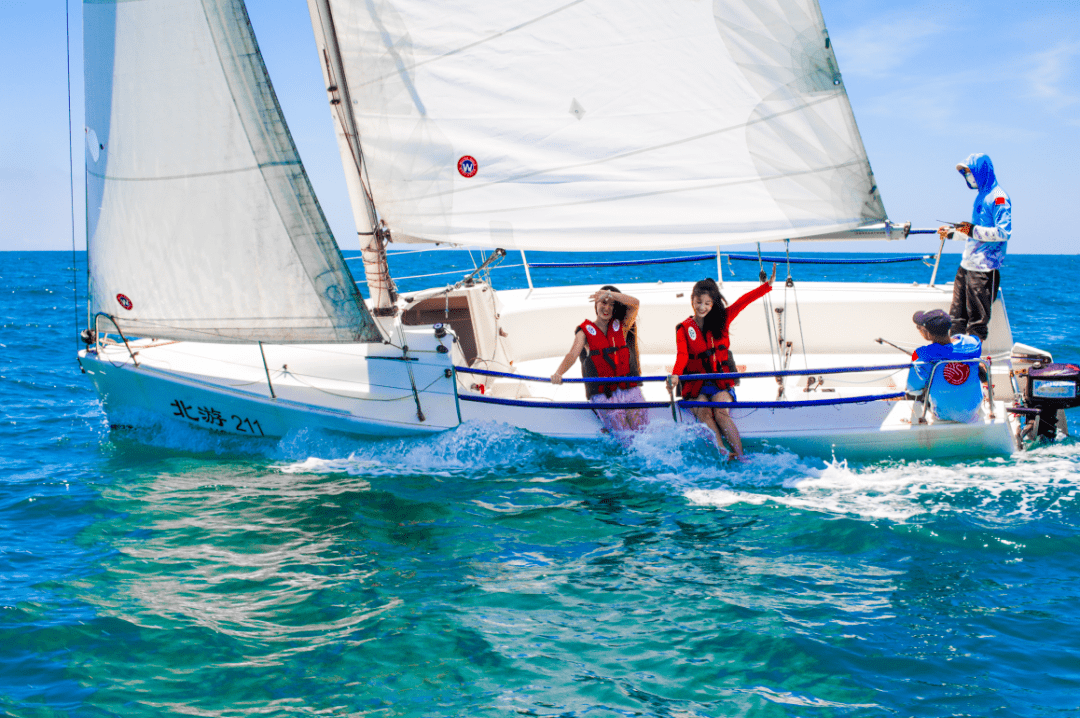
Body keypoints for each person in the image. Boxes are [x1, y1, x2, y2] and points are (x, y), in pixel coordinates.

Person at [668, 267, 775, 459]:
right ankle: (723, 452)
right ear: (692, 300)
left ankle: (741, 457)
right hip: (696, 383)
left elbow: (743, 302)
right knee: (704, 413)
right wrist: (675, 375)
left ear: (713, 303)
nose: (702, 307)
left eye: (707, 303)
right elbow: (682, 355)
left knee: (720, 413)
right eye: (698, 302)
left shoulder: (723, 319)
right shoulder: (683, 328)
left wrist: (767, 286)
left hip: (719, 381)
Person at [551, 285, 649, 435]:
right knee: (626, 437)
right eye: (603, 302)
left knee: (643, 431)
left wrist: (609, 294)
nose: (607, 308)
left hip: (628, 390)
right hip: (605, 395)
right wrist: (558, 373)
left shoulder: (621, 325)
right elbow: (572, 354)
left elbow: (635, 303)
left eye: (611, 304)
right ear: (596, 303)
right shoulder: (584, 332)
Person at [937, 153, 1012, 341]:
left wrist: (970, 229)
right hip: (966, 266)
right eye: (965, 174)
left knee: (977, 323)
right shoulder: (981, 197)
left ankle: (972, 365)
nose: (968, 177)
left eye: (969, 172)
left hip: (983, 271)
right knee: (956, 318)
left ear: (981, 171)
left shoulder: (999, 197)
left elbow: (1003, 232)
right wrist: (954, 233)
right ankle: (954, 363)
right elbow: (975, 234)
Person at [906, 309, 984, 424]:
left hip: (943, 415)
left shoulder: (922, 355)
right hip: (973, 410)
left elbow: (912, 387)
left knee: (916, 391)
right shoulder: (973, 343)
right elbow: (960, 341)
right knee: (979, 366)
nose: (919, 330)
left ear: (927, 333)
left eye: (919, 328)